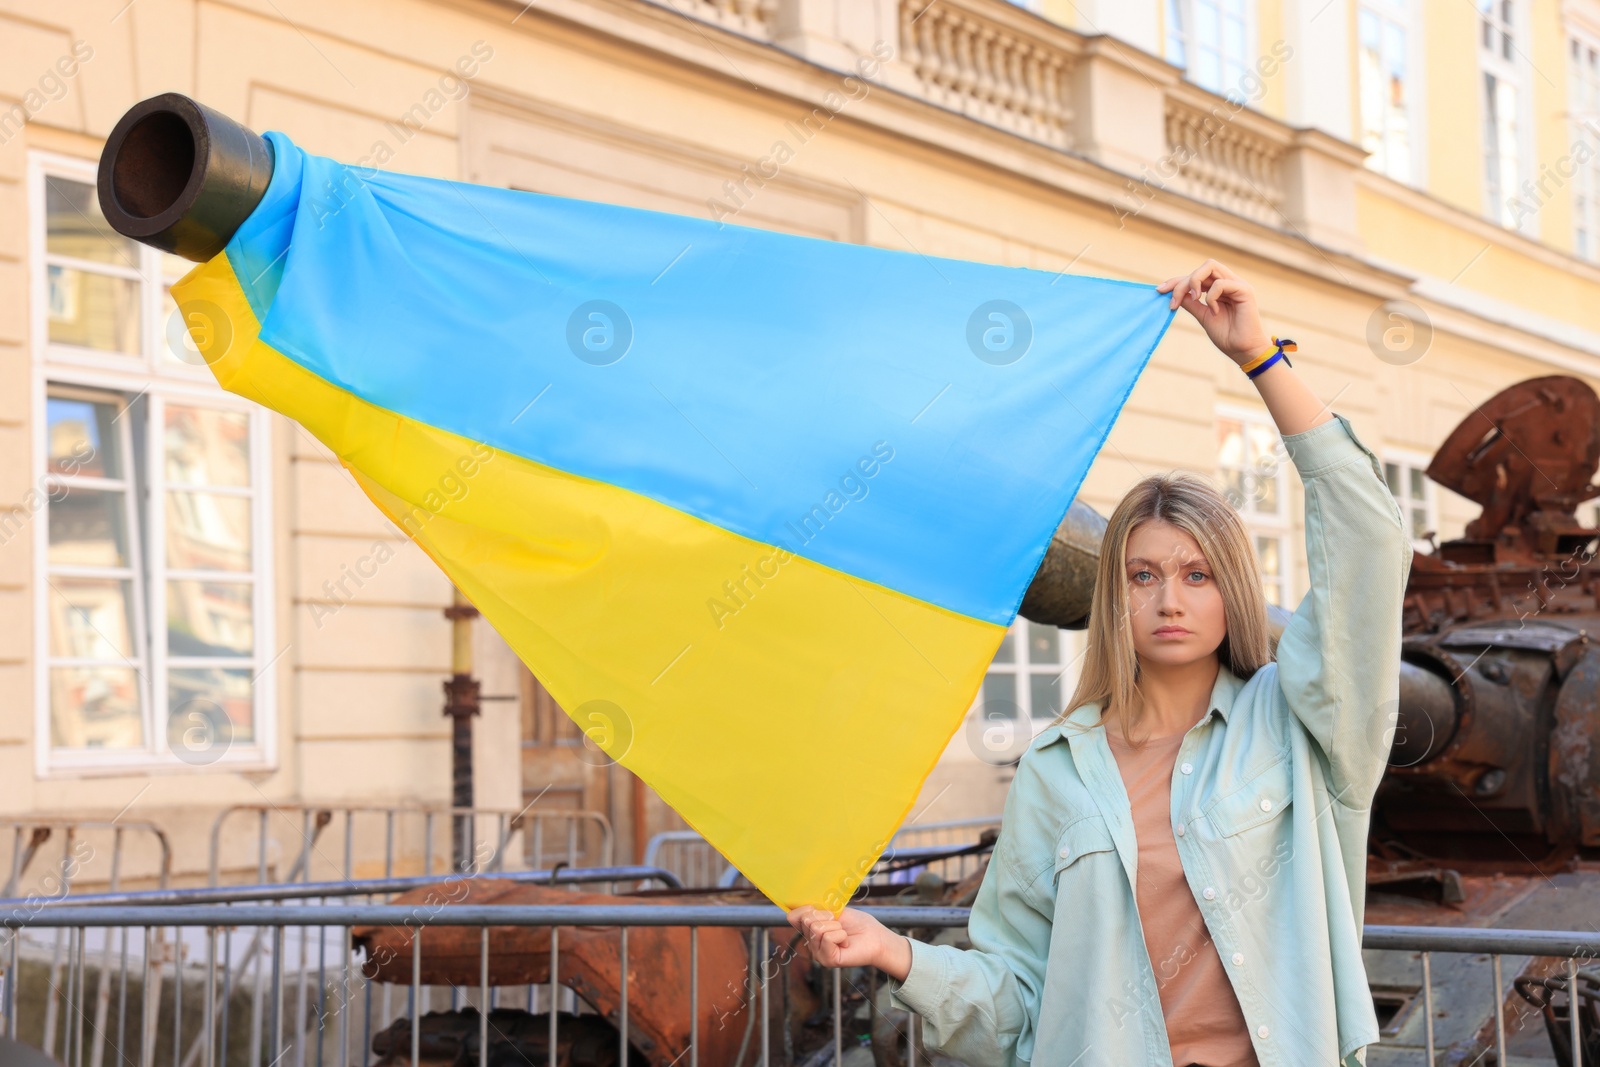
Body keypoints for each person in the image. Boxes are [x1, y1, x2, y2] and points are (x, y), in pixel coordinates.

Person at [787, 260, 1412, 1067]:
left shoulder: (1303, 727)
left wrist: (1262, 360)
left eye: (1198, 575)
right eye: (1143, 575)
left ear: (1233, 593)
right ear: (1114, 598)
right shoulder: (1059, 770)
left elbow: (1368, 541)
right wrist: (893, 952)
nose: (1170, 600)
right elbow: (1017, 998)